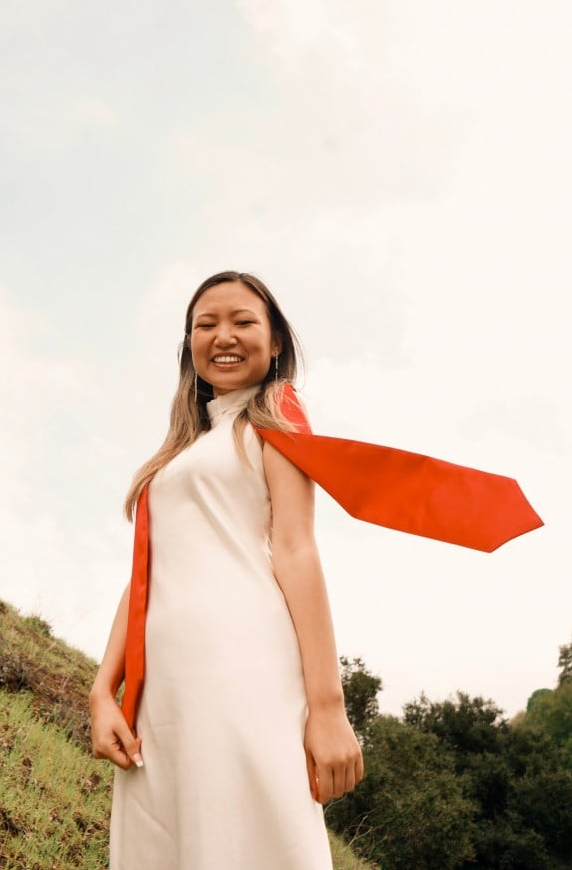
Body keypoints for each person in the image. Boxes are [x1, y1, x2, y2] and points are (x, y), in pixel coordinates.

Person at [90, 270, 364, 870]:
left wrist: (328, 706)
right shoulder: (181, 450)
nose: (224, 335)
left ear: (276, 343)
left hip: (242, 667)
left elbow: (295, 550)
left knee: (246, 834)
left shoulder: (275, 415)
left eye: (243, 321)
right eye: (205, 324)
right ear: (189, 345)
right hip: (163, 688)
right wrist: (101, 691)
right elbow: (144, 577)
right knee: (174, 841)